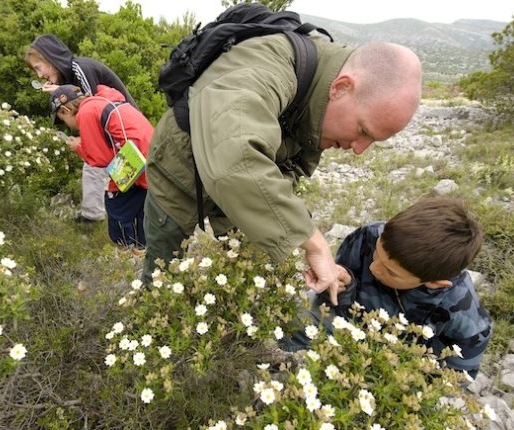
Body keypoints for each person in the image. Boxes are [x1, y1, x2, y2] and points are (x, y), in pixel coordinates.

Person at [142, 34, 422, 302]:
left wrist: (291, 234)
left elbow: (291, 170)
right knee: (161, 266)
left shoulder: (321, 106)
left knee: (251, 268)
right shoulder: (267, 66)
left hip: (245, 184)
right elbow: (234, 158)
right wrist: (312, 240)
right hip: (178, 169)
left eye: (373, 141)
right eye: (363, 130)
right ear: (341, 87)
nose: (359, 149)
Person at [286, 197, 492, 378]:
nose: (374, 268)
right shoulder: (369, 235)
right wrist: (346, 285)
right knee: (294, 320)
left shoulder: (468, 321)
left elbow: (451, 378)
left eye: (391, 272)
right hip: (347, 326)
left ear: (434, 283)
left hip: (394, 366)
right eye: (376, 254)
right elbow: (330, 302)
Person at [25, 34, 137, 224]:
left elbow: (93, 105)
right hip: (119, 133)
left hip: (125, 132)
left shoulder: (79, 68)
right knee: (110, 175)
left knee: (114, 175)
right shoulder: (69, 76)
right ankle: (100, 219)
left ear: (50, 59)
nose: (39, 75)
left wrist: (60, 92)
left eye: (39, 67)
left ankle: (109, 223)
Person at [50, 84, 152, 248]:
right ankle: (143, 248)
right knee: (140, 209)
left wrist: (78, 147)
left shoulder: (86, 113)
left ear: (65, 110)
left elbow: (100, 160)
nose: (67, 126)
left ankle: (126, 252)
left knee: (116, 207)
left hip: (132, 159)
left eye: (63, 121)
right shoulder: (103, 101)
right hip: (149, 154)